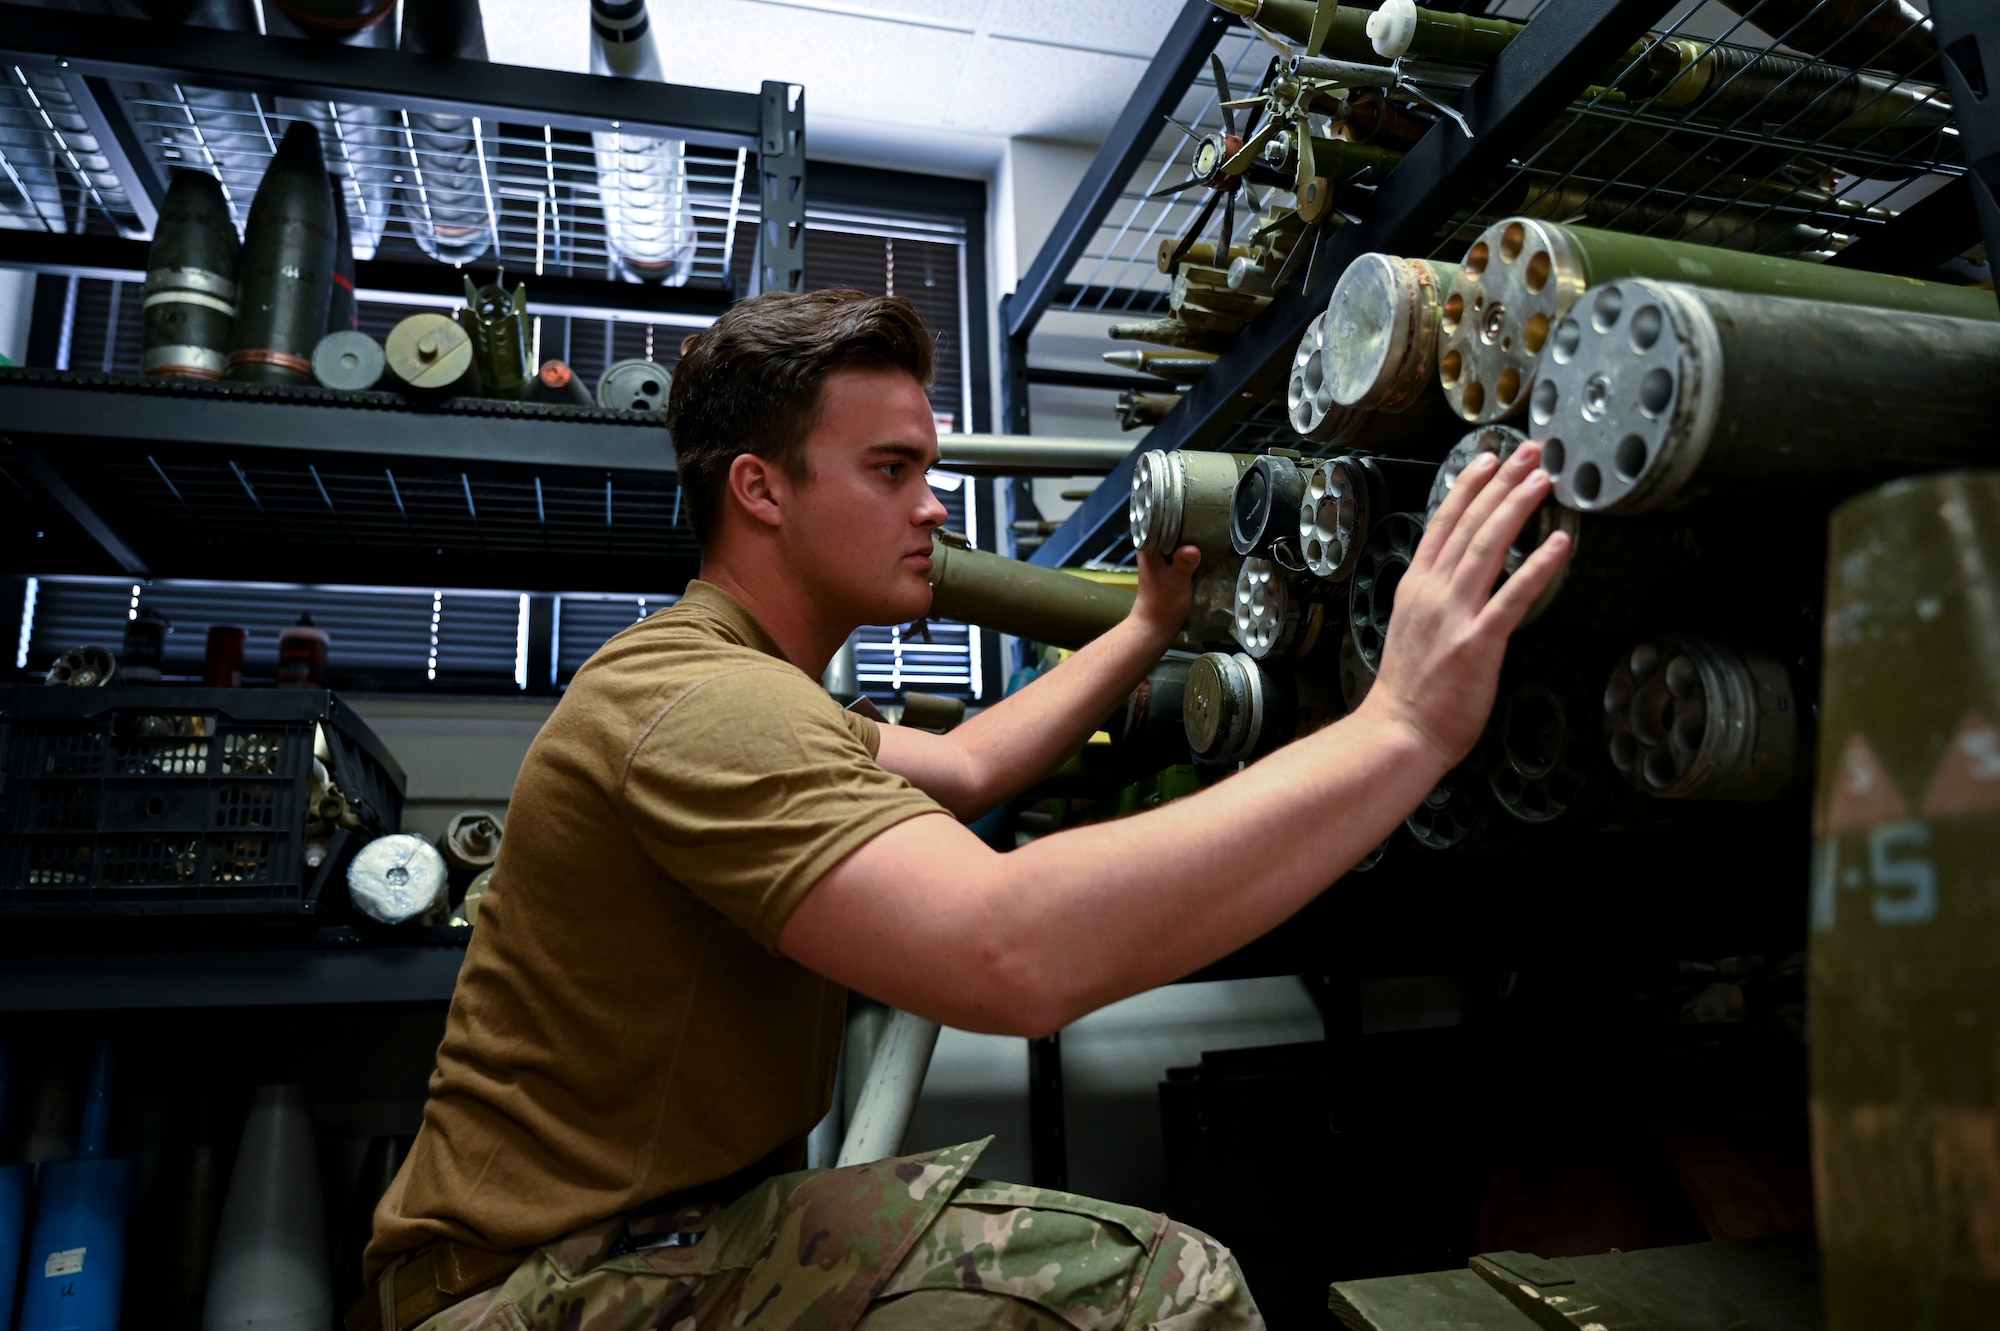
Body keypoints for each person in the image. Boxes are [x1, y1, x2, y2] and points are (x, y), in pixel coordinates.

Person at [355, 289, 1569, 1331]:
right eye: (891, 470)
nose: (933, 505)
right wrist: (1402, 725)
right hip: (540, 1287)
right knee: (1155, 1286)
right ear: (759, 489)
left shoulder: (738, 683)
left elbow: (973, 764)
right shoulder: (699, 702)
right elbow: (1009, 952)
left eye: (926, 469)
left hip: (650, 1242)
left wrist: (1142, 627)